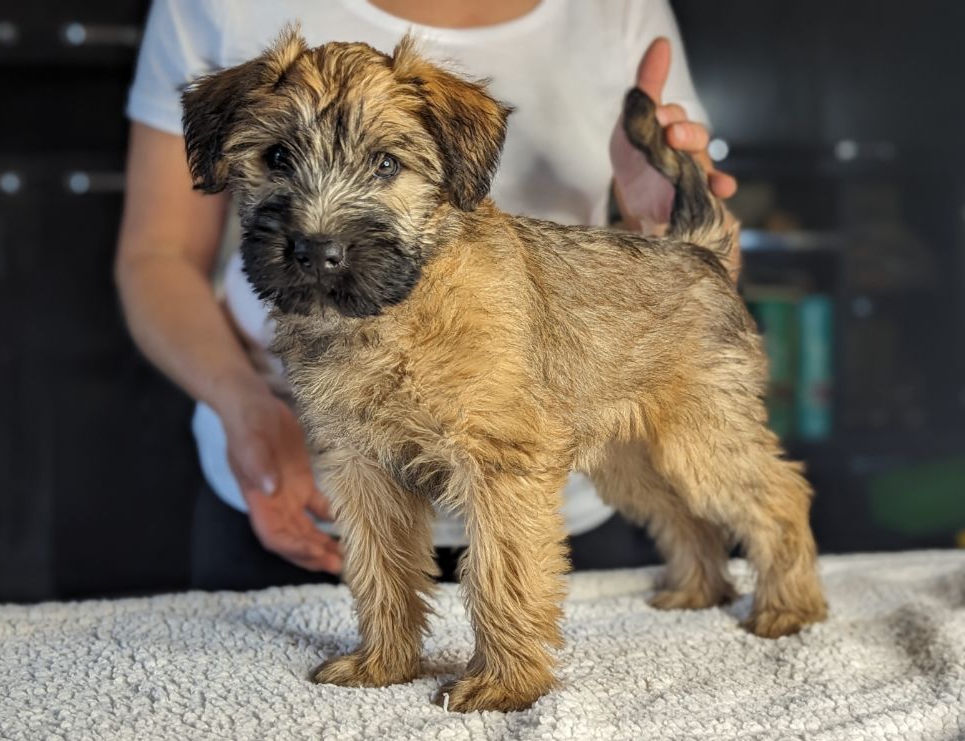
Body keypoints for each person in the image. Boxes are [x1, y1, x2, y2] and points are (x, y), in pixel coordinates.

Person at [115, 0, 739, 590]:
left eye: (386, 166)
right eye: (278, 157)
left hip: (558, 496)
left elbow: (700, 276)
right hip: (289, 490)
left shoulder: (619, 10)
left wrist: (657, 224)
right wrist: (243, 406)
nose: (320, 228)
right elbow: (157, 255)